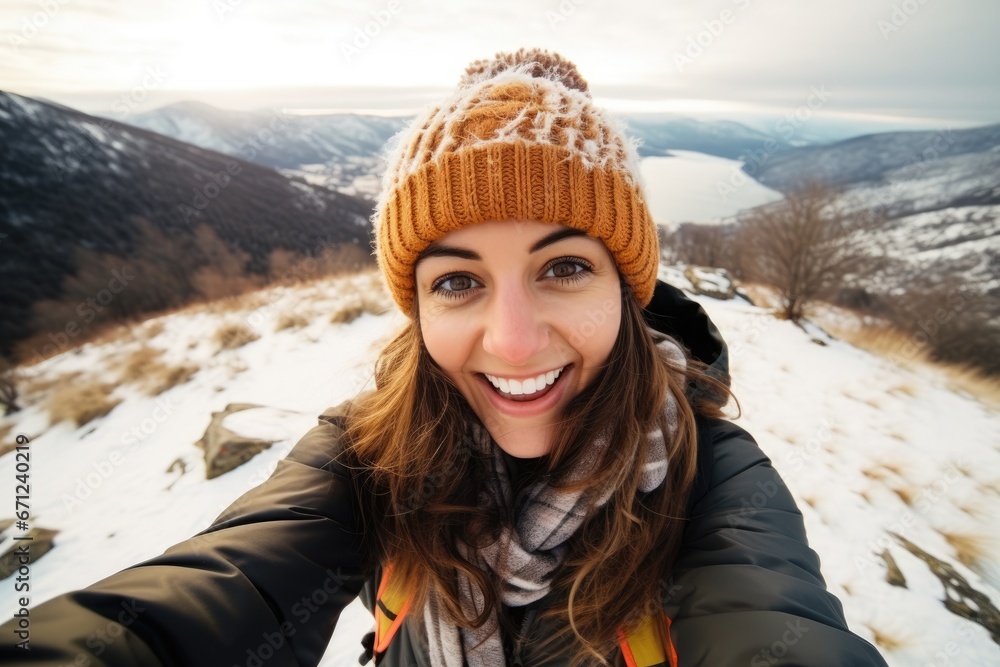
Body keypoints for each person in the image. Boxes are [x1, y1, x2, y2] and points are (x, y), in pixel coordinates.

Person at [0, 49, 888, 666]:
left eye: (565, 267)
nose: (511, 339)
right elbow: (221, 585)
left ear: (626, 287)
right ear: (415, 304)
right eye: (459, 282)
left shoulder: (710, 473)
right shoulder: (368, 454)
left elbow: (771, 616)